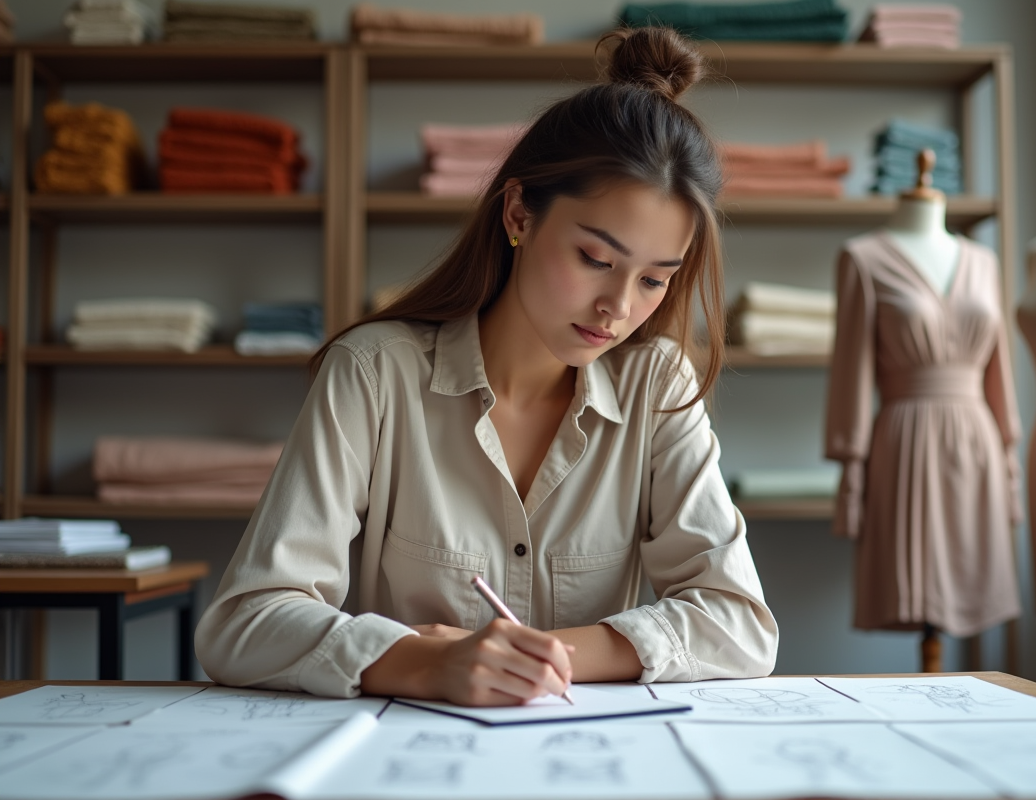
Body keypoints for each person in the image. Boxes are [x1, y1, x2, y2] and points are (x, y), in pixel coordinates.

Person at [195, 26, 778, 706]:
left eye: (654, 280)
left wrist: (538, 658)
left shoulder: (657, 384)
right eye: (595, 258)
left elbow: (740, 626)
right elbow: (243, 621)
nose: (618, 306)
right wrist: (419, 663)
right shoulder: (374, 374)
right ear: (519, 215)